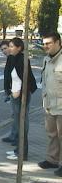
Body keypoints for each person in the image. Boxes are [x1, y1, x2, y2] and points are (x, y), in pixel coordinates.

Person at [4, 37, 37, 161]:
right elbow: (7, 74)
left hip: (22, 95)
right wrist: (8, 90)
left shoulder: (23, 59)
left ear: (19, 48)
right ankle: (18, 150)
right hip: (14, 94)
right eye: (9, 46)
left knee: (22, 123)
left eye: (12, 46)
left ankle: (22, 153)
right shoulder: (11, 57)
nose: (9, 48)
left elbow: (25, 78)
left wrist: (20, 92)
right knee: (18, 123)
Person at [38, 32, 62, 174]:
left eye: (48, 43)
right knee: (52, 134)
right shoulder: (46, 59)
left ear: (58, 42)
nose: (45, 46)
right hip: (49, 105)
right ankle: (52, 160)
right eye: (44, 43)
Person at [0, 40, 18, 146]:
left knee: (18, 116)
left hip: (17, 91)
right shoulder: (10, 58)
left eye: (5, 48)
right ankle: (14, 135)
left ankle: (18, 138)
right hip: (12, 91)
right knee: (14, 115)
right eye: (2, 49)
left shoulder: (15, 58)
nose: (4, 51)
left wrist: (13, 91)